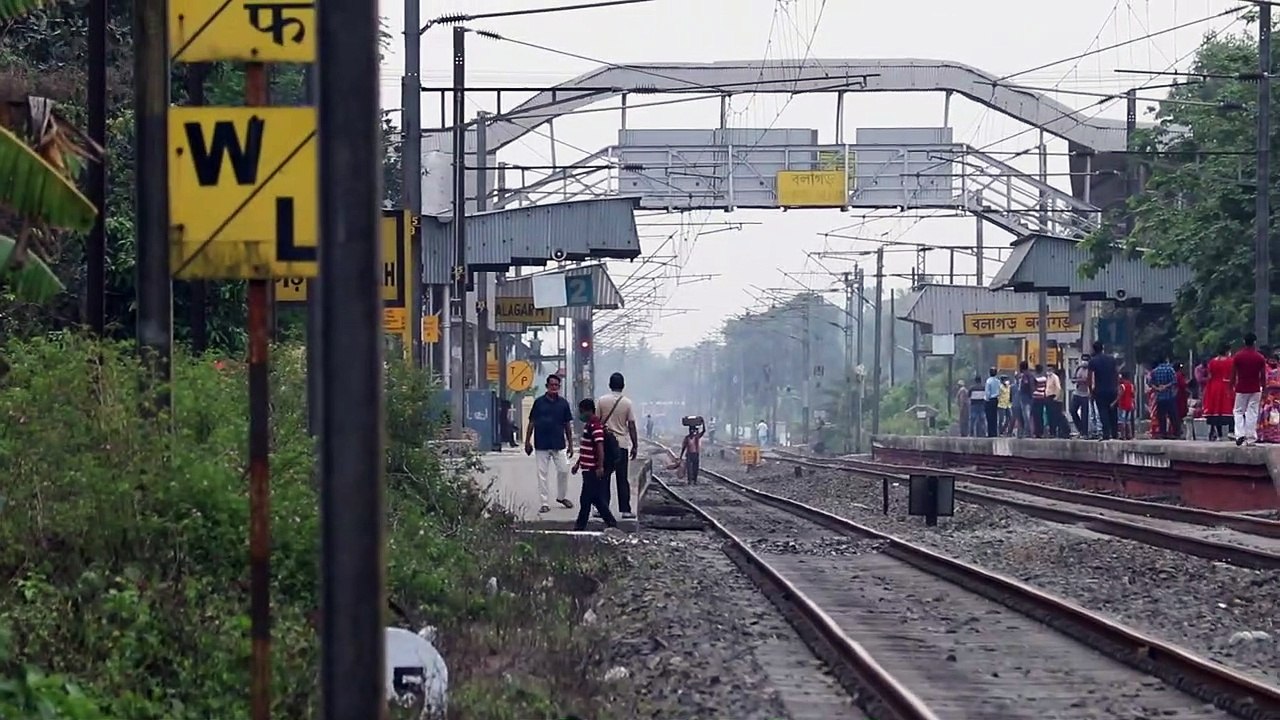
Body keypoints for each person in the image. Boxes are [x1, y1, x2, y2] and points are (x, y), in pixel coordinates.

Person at [524, 374, 575, 513]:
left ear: (559, 387)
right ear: (547, 386)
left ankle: (561, 497)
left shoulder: (563, 403)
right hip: (541, 443)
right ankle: (544, 502)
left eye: (556, 385)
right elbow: (532, 422)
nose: (554, 387)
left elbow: (567, 425)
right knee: (542, 474)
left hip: (559, 443)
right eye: (551, 385)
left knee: (564, 470)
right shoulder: (538, 403)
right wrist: (527, 441)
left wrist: (570, 444)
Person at [597, 372, 639, 520]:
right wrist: (635, 445)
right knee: (622, 478)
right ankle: (626, 510)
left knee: (604, 478)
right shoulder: (627, 403)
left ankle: (602, 507)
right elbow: (632, 425)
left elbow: (596, 422)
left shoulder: (602, 401)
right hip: (621, 445)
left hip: (605, 445)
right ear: (623, 386)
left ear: (610, 385)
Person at [571, 398, 617, 531]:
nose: (580, 415)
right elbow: (586, 447)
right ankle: (611, 523)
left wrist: (600, 466)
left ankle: (580, 528)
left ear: (588, 410)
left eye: (581, 411)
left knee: (586, 499)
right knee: (594, 499)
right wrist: (578, 464)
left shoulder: (595, 426)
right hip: (586, 467)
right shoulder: (589, 425)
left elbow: (599, 447)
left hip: (592, 469)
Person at [1231, 332, 1268, 447]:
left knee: (1238, 411)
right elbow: (1262, 375)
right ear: (1255, 342)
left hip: (1241, 387)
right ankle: (1251, 438)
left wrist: (1230, 386)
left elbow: (1233, 373)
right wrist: (1264, 388)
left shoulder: (1238, 356)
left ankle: (1239, 434)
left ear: (1244, 341)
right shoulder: (1260, 357)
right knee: (1252, 412)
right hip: (1255, 387)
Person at [1087, 341, 1121, 441]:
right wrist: (1117, 386)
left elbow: (1090, 378)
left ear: (1094, 349)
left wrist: (1091, 391)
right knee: (1113, 411)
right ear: (1103, 348)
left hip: (1100, 390)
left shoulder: (1093, 361)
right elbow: (1117, 373)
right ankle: (1115, 433)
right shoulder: (1112, 359)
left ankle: (1106, 434)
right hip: (1112, 389)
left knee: (1103, 411)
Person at [1202, 344, 1235, 440]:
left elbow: (1210, 375)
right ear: (1227, 351)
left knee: (1216, 409)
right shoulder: (1231, 361)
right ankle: (1231, 431)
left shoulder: (1212, 362)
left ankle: (1219, 434)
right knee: (1229, 408)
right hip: (1226, 385)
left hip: (1214, 387)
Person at [1149, 357, 1178, 439]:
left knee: (1161, 416)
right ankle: (1176, 433)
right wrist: (1166, 386)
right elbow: (1174, 381)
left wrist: (1157, 388)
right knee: (1173, 415)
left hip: (1159, 397)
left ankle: (1163, 433)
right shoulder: (1170, 369)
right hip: (1169, 396)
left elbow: (1150, 383)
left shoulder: (1154, 371)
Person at [1259, 349, 1280, 443]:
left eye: (1274, 360)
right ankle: (1265, 435)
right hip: (1269, 397)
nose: (1272, 362)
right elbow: (1265, 383)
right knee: (1266, 416)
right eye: (1271, 360)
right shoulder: (1267, 371)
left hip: (1276, 397)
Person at [1071, 353, 1092, 438]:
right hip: (1077, 393)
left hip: (1086, 394)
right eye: (1083, 359)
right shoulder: (1079, 368)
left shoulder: (1090, 370)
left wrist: (1081, 380)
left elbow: (1088, 381)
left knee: (1084, 414)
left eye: (1086, 360)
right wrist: (1076, 380)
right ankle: (1080, 429)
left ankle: (1085, 433)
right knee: (1072, 410)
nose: (1084, 362)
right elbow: (1074, 378)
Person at [1045, 364, 1067, 438]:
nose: (1048, 371)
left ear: (1053, 370)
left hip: (1054, 398)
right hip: (1048, 398)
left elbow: (1058, 388)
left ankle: (1056, 432)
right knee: (1050, 416)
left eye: (1050, 369)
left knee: (1055, 416)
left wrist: (1056, 398)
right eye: (1047, 369)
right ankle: (1052, 432)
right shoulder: (1048, 377)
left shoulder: (1055, 377)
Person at [1015, 360, 1035, 438]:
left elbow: (1028, 386)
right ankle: (1024, 432)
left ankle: (1028, 432)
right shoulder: (1028, 375)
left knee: (1026, 415)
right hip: (1026, 397)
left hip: (1025, 398)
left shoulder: (1026, 376)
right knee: (1024, 415)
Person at [1030, 364, 1050, 438]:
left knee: (1036, 416)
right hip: (1042, 398)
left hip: (1036, 398)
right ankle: (1041, 432)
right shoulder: (1045, 379)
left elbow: (1033, 388)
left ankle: (1037, 432)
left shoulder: (1035, 379)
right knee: (1041, 415)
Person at [1117, 371, 1136, 440]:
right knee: (1128, 421)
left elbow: (1120, 395)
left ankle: (1123, 436)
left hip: (1123, 405)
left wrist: (1113, 403)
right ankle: (1130, 435)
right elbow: (1133, 395)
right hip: (1130, 405)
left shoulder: (1122, 386)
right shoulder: (1131, 385)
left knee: (1122, 420)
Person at [983, 367, 1001, 438]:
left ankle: (990, 432)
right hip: (995, 400)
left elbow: (987, 392)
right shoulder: (998, 381)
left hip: (989, 400)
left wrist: (987, 400)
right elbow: (999, 391)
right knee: (994, 416)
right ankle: (994, 432)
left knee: (989, 417)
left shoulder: (988, 381)